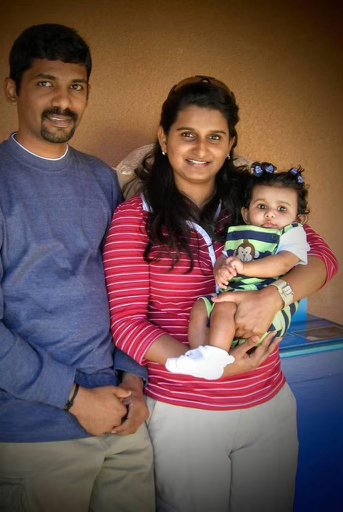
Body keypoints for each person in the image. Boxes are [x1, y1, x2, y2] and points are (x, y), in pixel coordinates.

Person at [0, 24, 154, 512]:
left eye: (75, 87)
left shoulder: (101, 179)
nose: (63, 100)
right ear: (12, 88)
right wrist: (77, 398)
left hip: (123, 415)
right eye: (45, 83)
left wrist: (134, 382)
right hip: (34, 430)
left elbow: (126, 289)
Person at [103, 75, 338, 512]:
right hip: (185, 414)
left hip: (268, 403)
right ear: (164, 138)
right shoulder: (133, 220)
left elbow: (320, 257)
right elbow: (126, 324)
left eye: (215, 137)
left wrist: (276, 296)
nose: (201, 149)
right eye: (187, 135)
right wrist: (200, 366)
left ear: (230, 144)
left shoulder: (254, 205)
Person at [168, 163, 311, 379]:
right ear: (246, 213)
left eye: (282, 209)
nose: (271, 215)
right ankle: (200, 357)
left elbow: (282, 263)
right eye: (262, 206)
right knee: (200, 307)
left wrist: (244, 267)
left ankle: (215, 355)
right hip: (234, 298)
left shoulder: (291, 233)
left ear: (298, 218)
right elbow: (225, 257)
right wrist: (220, 270)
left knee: (224, 306)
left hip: (266, 307)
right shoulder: (239, 233)